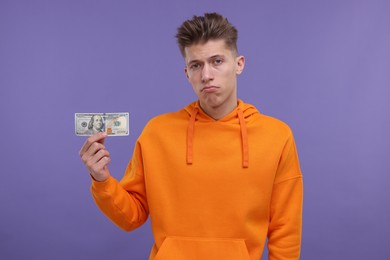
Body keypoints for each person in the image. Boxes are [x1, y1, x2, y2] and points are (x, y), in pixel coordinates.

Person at [79, 13, 303, 260]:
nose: (206, 74)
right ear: (187, 73)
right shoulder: (157, 132)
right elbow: (131, 216)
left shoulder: (277, 136)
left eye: (217, 61)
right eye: (196, 65)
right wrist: (101, 179)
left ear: (239, 64)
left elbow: (286, 230)